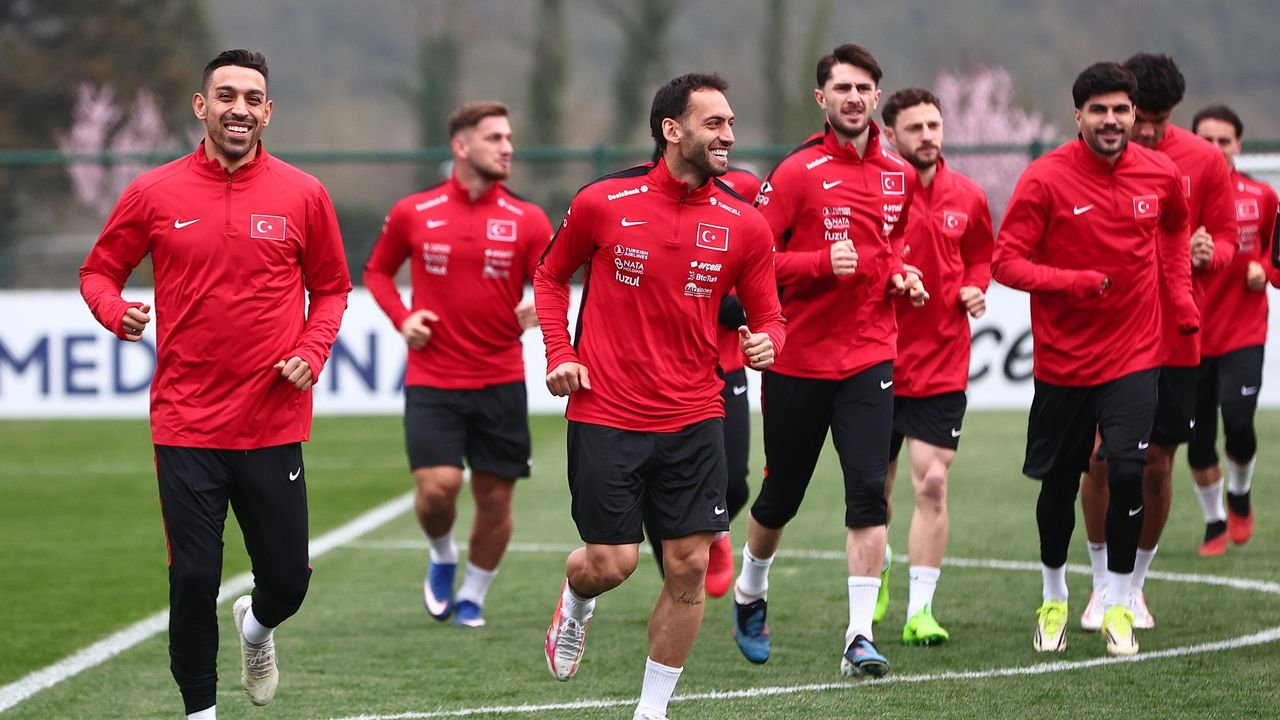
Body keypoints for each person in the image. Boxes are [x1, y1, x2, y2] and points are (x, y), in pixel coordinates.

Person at [79, 49, 351, 719]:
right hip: (186, 423)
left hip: (272, 421)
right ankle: (200, 712)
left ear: (268, 112)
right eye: (226, 95)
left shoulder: (304, 193)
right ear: (201, 106)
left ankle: (256, 628)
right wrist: (115, 312)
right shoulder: (153, 192)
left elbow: (332, 289)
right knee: (194, 577)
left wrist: (311, 349)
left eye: (253, 98)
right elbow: (98, 272)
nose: (239, 109)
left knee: (286, 583)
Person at [535, 73, 785, 720]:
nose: (728, 135)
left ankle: (652, 711)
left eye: (731, 123)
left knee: (689, 566)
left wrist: (769, 343)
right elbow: (551, 275)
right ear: (672, 130)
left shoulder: (746, 223)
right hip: (606, 412)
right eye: (714, 123)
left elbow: (770, 316)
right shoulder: (602, 201)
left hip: (696, 413)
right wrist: (561, 354)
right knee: (611, 563)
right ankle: (577, 598)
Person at [731, 43, 927, 678]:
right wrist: (819, 262)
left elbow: (890, 246)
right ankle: (750, 590)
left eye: (863, 88)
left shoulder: (899, 174)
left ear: (877, 97)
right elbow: (750, 261)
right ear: (822, 98)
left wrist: (900, 276)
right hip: (798, 359)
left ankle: (859, 637)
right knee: (781, 495)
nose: (853, 98)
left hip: (870, 356)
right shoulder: (796, 172)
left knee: (869, 493)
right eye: (842, 88)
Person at [992, 61, 1196, 658]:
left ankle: (1120, 602)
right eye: (1099, 110)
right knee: (1059, 483)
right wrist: (1072, 281)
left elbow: (1176, 232)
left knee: (1129, 469)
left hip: (1136, 351)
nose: (1111, 120)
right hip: (1064, 361)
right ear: (1077, 115)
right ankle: (1054, 596)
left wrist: (1179, 295)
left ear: (1134, 115)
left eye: (1120, 110)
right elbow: (1006, 262)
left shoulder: (1161, 174)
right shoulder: (1044, 178)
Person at [363, 101, 552, 628]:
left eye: (508, 138)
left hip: (501, 379)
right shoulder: (413, 210)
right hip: (433, 378)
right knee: (437, 487)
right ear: (461, 146)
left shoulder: (528, 218)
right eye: (494, 138)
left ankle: (473, 592)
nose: (507, 147)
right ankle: (443, 554)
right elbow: (377, 273)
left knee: (494, 499)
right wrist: (402, 318)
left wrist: (541, 304)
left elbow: (553, 280)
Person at [1076, 53, 1236, 633]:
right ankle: (1101, 583)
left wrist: (1211, 253)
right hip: (1109, 333)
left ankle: (1135, 586)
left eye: (1159, 121)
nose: (1144, 130)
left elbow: (1226, 238)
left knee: (1156, 466)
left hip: (1174, 340)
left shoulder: (1204, 161)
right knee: (1099, 458)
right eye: (1138, 116)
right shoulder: (1095, 157)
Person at [880, 86, 994, 646]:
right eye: (915, 127)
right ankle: (873, 567)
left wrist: (975, 286)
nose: (928, 136)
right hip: (874, 359)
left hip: (943, 362)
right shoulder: (875, 193)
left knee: (932, 483)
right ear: (890, 134)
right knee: (872, 491)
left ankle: (920, 611)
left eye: (934, 125)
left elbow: (981, 256)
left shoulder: (969, 195)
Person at [645, 163, 763, 599]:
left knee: (734, 485)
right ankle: (678, 575)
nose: (722, 136)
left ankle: (713, 533)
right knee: (654, 484)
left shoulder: (744, 186)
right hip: (659, 368)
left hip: (724, 365)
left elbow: (763, 264)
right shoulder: (638, 194)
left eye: (725, 129)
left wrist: (736, 306)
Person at [1187, 103, 1280, 554]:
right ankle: (1214, 521)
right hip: (1187, 334)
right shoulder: (1177, 196)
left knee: (1239, 423)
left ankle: (1239, 493)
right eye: (1205, 140)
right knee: (1197, 436)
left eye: (1223, 140)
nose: (1215, 148)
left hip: (1243, 332)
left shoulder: (1261, 196)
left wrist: (1266, 269)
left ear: (1238, 145)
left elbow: (1276, 252)